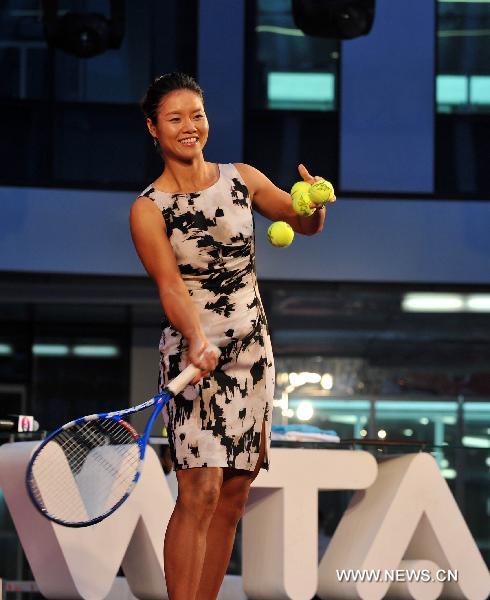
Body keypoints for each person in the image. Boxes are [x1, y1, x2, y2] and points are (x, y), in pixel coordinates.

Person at [130, 72, 334, 600]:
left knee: (235, 493)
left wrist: (313, 206)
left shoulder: (241, 177)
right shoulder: (148, 209)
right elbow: (171, 288)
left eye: (196, 115)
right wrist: (195, 338)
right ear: (153, 128)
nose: (189, 127)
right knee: (198, 490)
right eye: (175, 119)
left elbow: (302, 223)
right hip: (194, 357)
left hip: (252, 352)